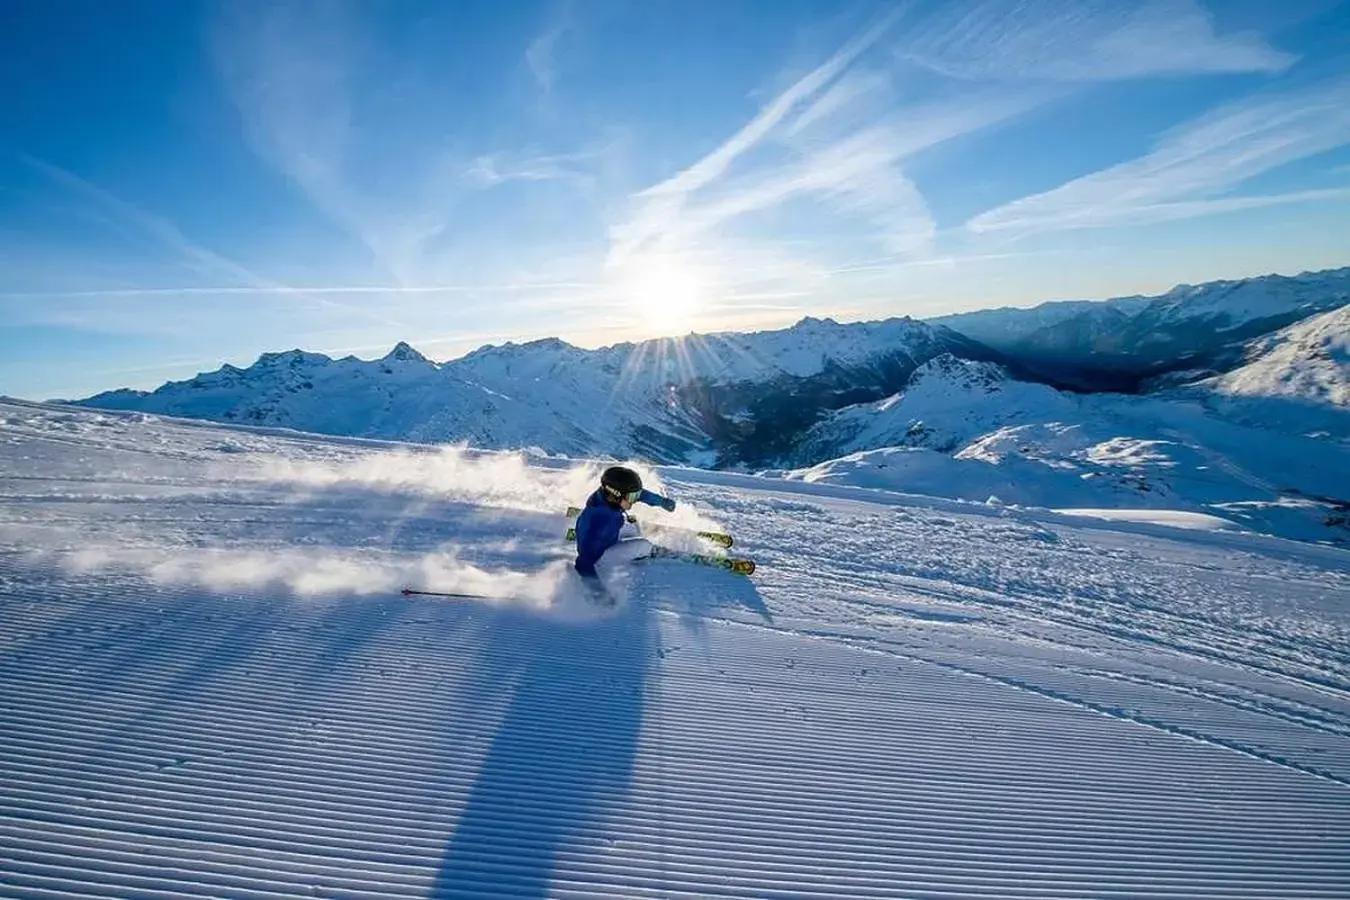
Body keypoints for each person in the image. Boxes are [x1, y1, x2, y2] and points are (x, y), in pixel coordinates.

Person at [573, 465, 676, 581]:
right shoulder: (601, 522)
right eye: (632, 497)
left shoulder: (608, 497)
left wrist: (661, 501)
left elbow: (640, 494)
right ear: (616, 495)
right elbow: (583, 564)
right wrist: (599, 594)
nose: (635, 499)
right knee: (643, 544)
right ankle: (651, 552)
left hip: (607, 534)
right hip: (600, 558)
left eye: (635, 496)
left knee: (633, 525)